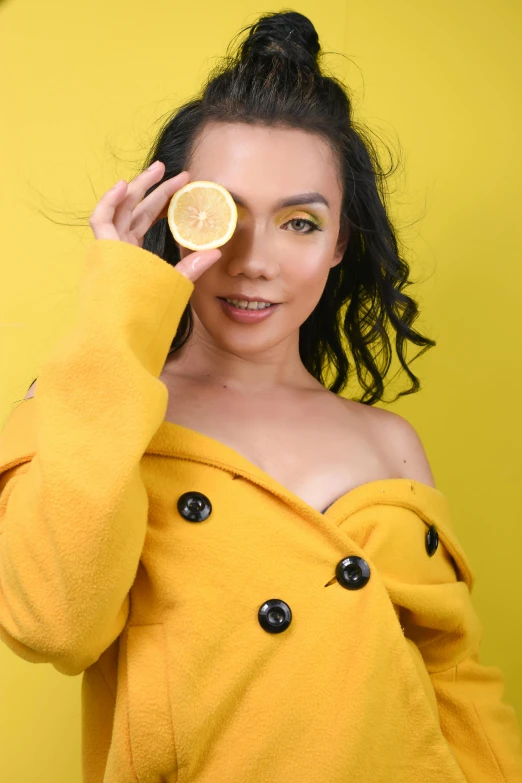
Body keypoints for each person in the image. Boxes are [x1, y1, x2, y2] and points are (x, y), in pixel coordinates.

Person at [2, 10, 522, 783]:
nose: (255, 261)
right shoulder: (92, 400)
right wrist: (118, 315)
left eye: (300, 222)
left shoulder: (389, 442)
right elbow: (53, 624)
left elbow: (455, 685)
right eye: (223, 215)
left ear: (340, 242)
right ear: (173, 222)